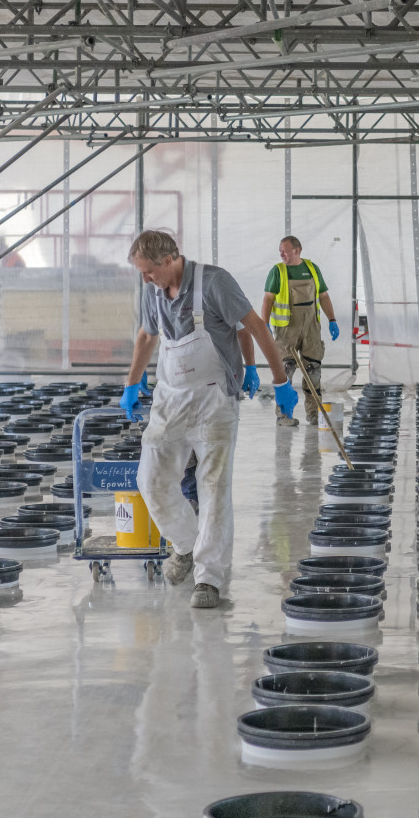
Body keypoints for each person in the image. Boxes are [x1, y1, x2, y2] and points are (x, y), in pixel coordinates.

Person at [120, 230, 299, 609]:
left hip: (214, 397)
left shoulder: (214, 283)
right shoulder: (153, 291)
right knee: (150, 479)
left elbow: (254, 327)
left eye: (150, 271)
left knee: (214, 487)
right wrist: (132, 383)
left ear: (169, 260)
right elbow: (147, 337)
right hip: (170, 398)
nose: (145, 279)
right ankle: (186, 545)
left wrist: (277, 380)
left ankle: (209, 578)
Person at [260, 236, 339, 426]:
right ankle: (284, 415)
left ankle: (313, 414)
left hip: (311, 328)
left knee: (313, 371)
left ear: (297, 250)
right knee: (285, 371)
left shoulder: (312, 268)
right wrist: (264, 325)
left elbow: (324, 296)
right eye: (280, 250)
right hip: (287, 329)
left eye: (284, 250)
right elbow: (267, 300)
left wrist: (332, 320)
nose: (281, 254)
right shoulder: (277, 271)